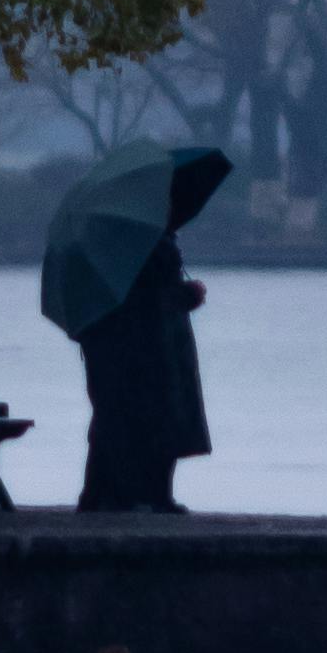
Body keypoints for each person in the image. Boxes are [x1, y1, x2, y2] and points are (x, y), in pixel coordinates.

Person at [76, 201, 215, 514]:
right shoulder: (142, 241)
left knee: (120, 418)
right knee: (156, 417)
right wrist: (185, 294)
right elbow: (146, 295)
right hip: (151, 343)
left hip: (131, 342)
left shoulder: (113, 238)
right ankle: (144, 494)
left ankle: (113, 493)